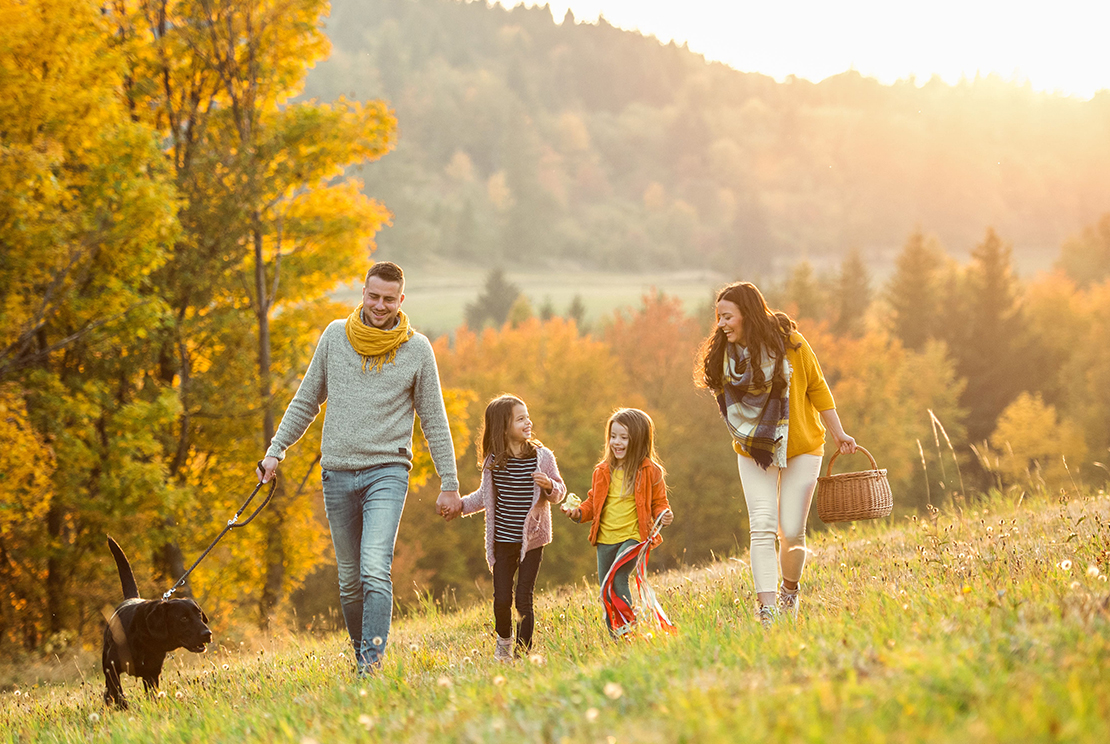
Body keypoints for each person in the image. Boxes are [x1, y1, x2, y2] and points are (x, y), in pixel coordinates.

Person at [256, 261, 462, 675]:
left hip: (387, 471)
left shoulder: (417, 349)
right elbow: (306, 400)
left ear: (401, 300)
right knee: (350, 580)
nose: (380, 305)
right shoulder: (335, 336)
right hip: (337, 473)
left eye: (389, 298)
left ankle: (371, 667)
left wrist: (450, 482)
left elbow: (434, 419)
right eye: (374, 296)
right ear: (363, 294)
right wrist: (276, 450)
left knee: (374, 568)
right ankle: (361, 657)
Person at [695, 281, 855, 627]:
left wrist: (839, 432)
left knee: (793, 530)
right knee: (763, 526)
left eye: (727, 317)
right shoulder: (726, 357)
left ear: (747, 315)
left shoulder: (792, 344)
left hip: (802, 446)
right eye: (718, 317)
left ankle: (789, 592)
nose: (721, 324)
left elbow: (817, 387)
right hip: (754, 450)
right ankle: (767, 611)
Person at [459, 394, 566, 660]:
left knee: (523, 597)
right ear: (503, 427)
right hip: (503, 542)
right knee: (502, 599)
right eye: (521, 419)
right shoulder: (494, 462)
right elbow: (484, 497)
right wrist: (459, 507)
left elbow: (560, 492)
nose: (528, 422)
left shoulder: (542, 457)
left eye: (527, 417)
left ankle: (521, 653)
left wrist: (549, 486)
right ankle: (504, 642)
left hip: (533, 541)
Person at [562, 408, 673, 635]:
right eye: (613, 436)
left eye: (624, 437)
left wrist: (664, 513)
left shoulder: (651, 471)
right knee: (605, 589)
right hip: (605, 540)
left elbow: (660, 502)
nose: (617, 442)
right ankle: (616, 636)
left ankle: (628, 630)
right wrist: (578, 514)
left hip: (634, 537)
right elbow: (593, 503)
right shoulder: (602, 471)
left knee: (619, 576)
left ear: (639, 440)